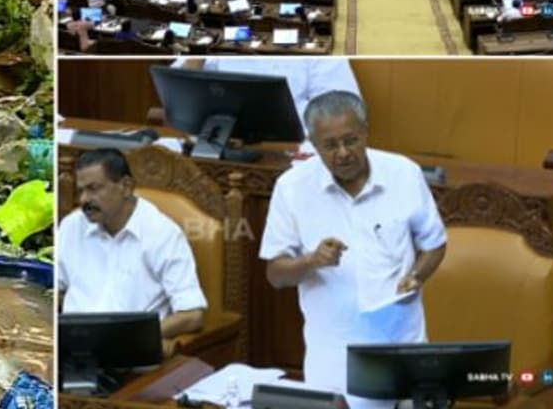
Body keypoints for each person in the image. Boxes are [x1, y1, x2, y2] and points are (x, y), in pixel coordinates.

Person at [259, 92, 447, 409]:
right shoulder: (292, 188)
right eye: (330, 146)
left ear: (366, 132)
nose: (343, 153)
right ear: (314, 145)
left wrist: (417, 275)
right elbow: (275, 275)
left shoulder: (403, 174)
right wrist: (311, 261)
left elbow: (435, 245)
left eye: (351, 140)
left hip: (402, 343)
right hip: (332, 355)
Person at [57, 148, 208, 357]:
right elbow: (54, 289)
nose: (84, 200)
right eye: (80, 191)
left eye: (94, 189)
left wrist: (132, 337)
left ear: (126, 186)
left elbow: (192, 315)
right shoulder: (71, 226)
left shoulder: (162, 233)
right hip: (73, 353)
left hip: (132, 356)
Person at [170, 58, 361, 127]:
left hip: (293, 149)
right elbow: (175, 86)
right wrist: (196, 59)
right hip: (221, 140)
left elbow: (344, 108)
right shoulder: (222, 35)